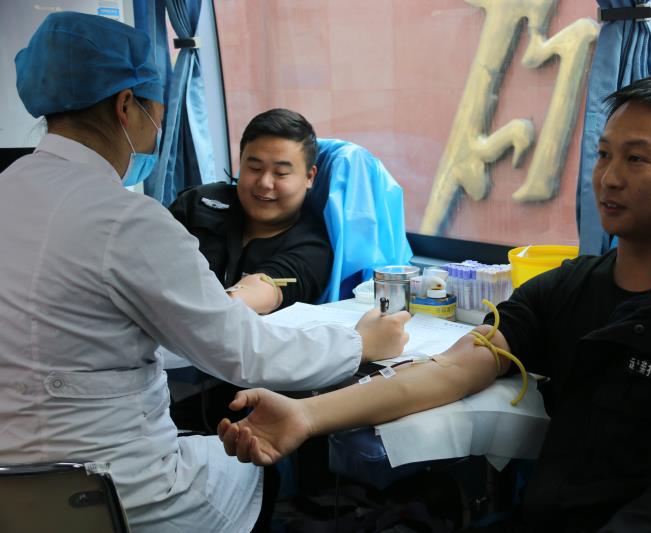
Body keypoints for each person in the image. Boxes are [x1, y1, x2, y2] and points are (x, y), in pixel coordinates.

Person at [218, 73, 651, 531]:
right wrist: (307, 416)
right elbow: (455, 368)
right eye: (603, 155)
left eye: (637, 159)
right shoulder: (575, 286)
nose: (609, 178)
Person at [0, 11, 409, 533]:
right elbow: (243, 351)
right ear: (126, 105)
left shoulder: (10, 190)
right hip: (112, 489)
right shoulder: (127, 220)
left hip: (13, 483)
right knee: (254, 465)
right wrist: (359, 344)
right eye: (155, 107)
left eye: (282, 171)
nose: (264, 184)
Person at [167, 108, 332, 433]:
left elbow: (265, 289)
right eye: (253, 168)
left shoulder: (312, 247)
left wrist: (221, 304)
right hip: (155, 383)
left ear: (309, 177)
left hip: (239, 410)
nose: (264, 183)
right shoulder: (198, 203)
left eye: (281, 173)